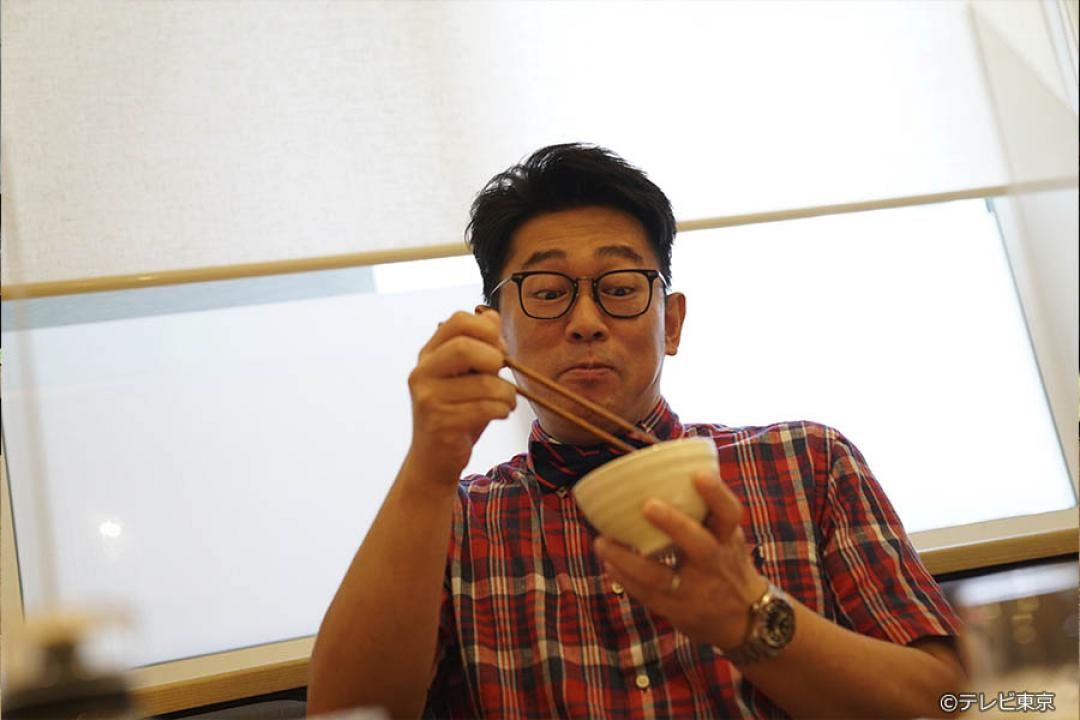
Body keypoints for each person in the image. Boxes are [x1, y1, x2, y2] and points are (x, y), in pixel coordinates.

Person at [308, 144, 967, 719]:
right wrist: (428, 470)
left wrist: (750, 619)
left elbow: (948, 701)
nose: (586, 321)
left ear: (671, 322)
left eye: (621, 287)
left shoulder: (808, 464)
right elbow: (348, 713)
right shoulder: (452, 522)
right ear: (494, 328)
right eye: (547, 291)